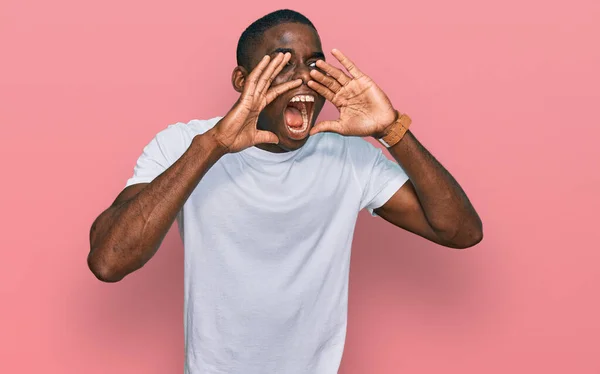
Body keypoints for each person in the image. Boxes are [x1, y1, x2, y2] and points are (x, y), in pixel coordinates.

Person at [87, 9, 483, 374]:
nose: (303, 78)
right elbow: (109, 261)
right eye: (281, 63)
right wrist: (213, 147)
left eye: (313, 64)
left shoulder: (348, 156)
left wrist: (392, 129)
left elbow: (460, 231)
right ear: (242, 81)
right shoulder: (185, 143)